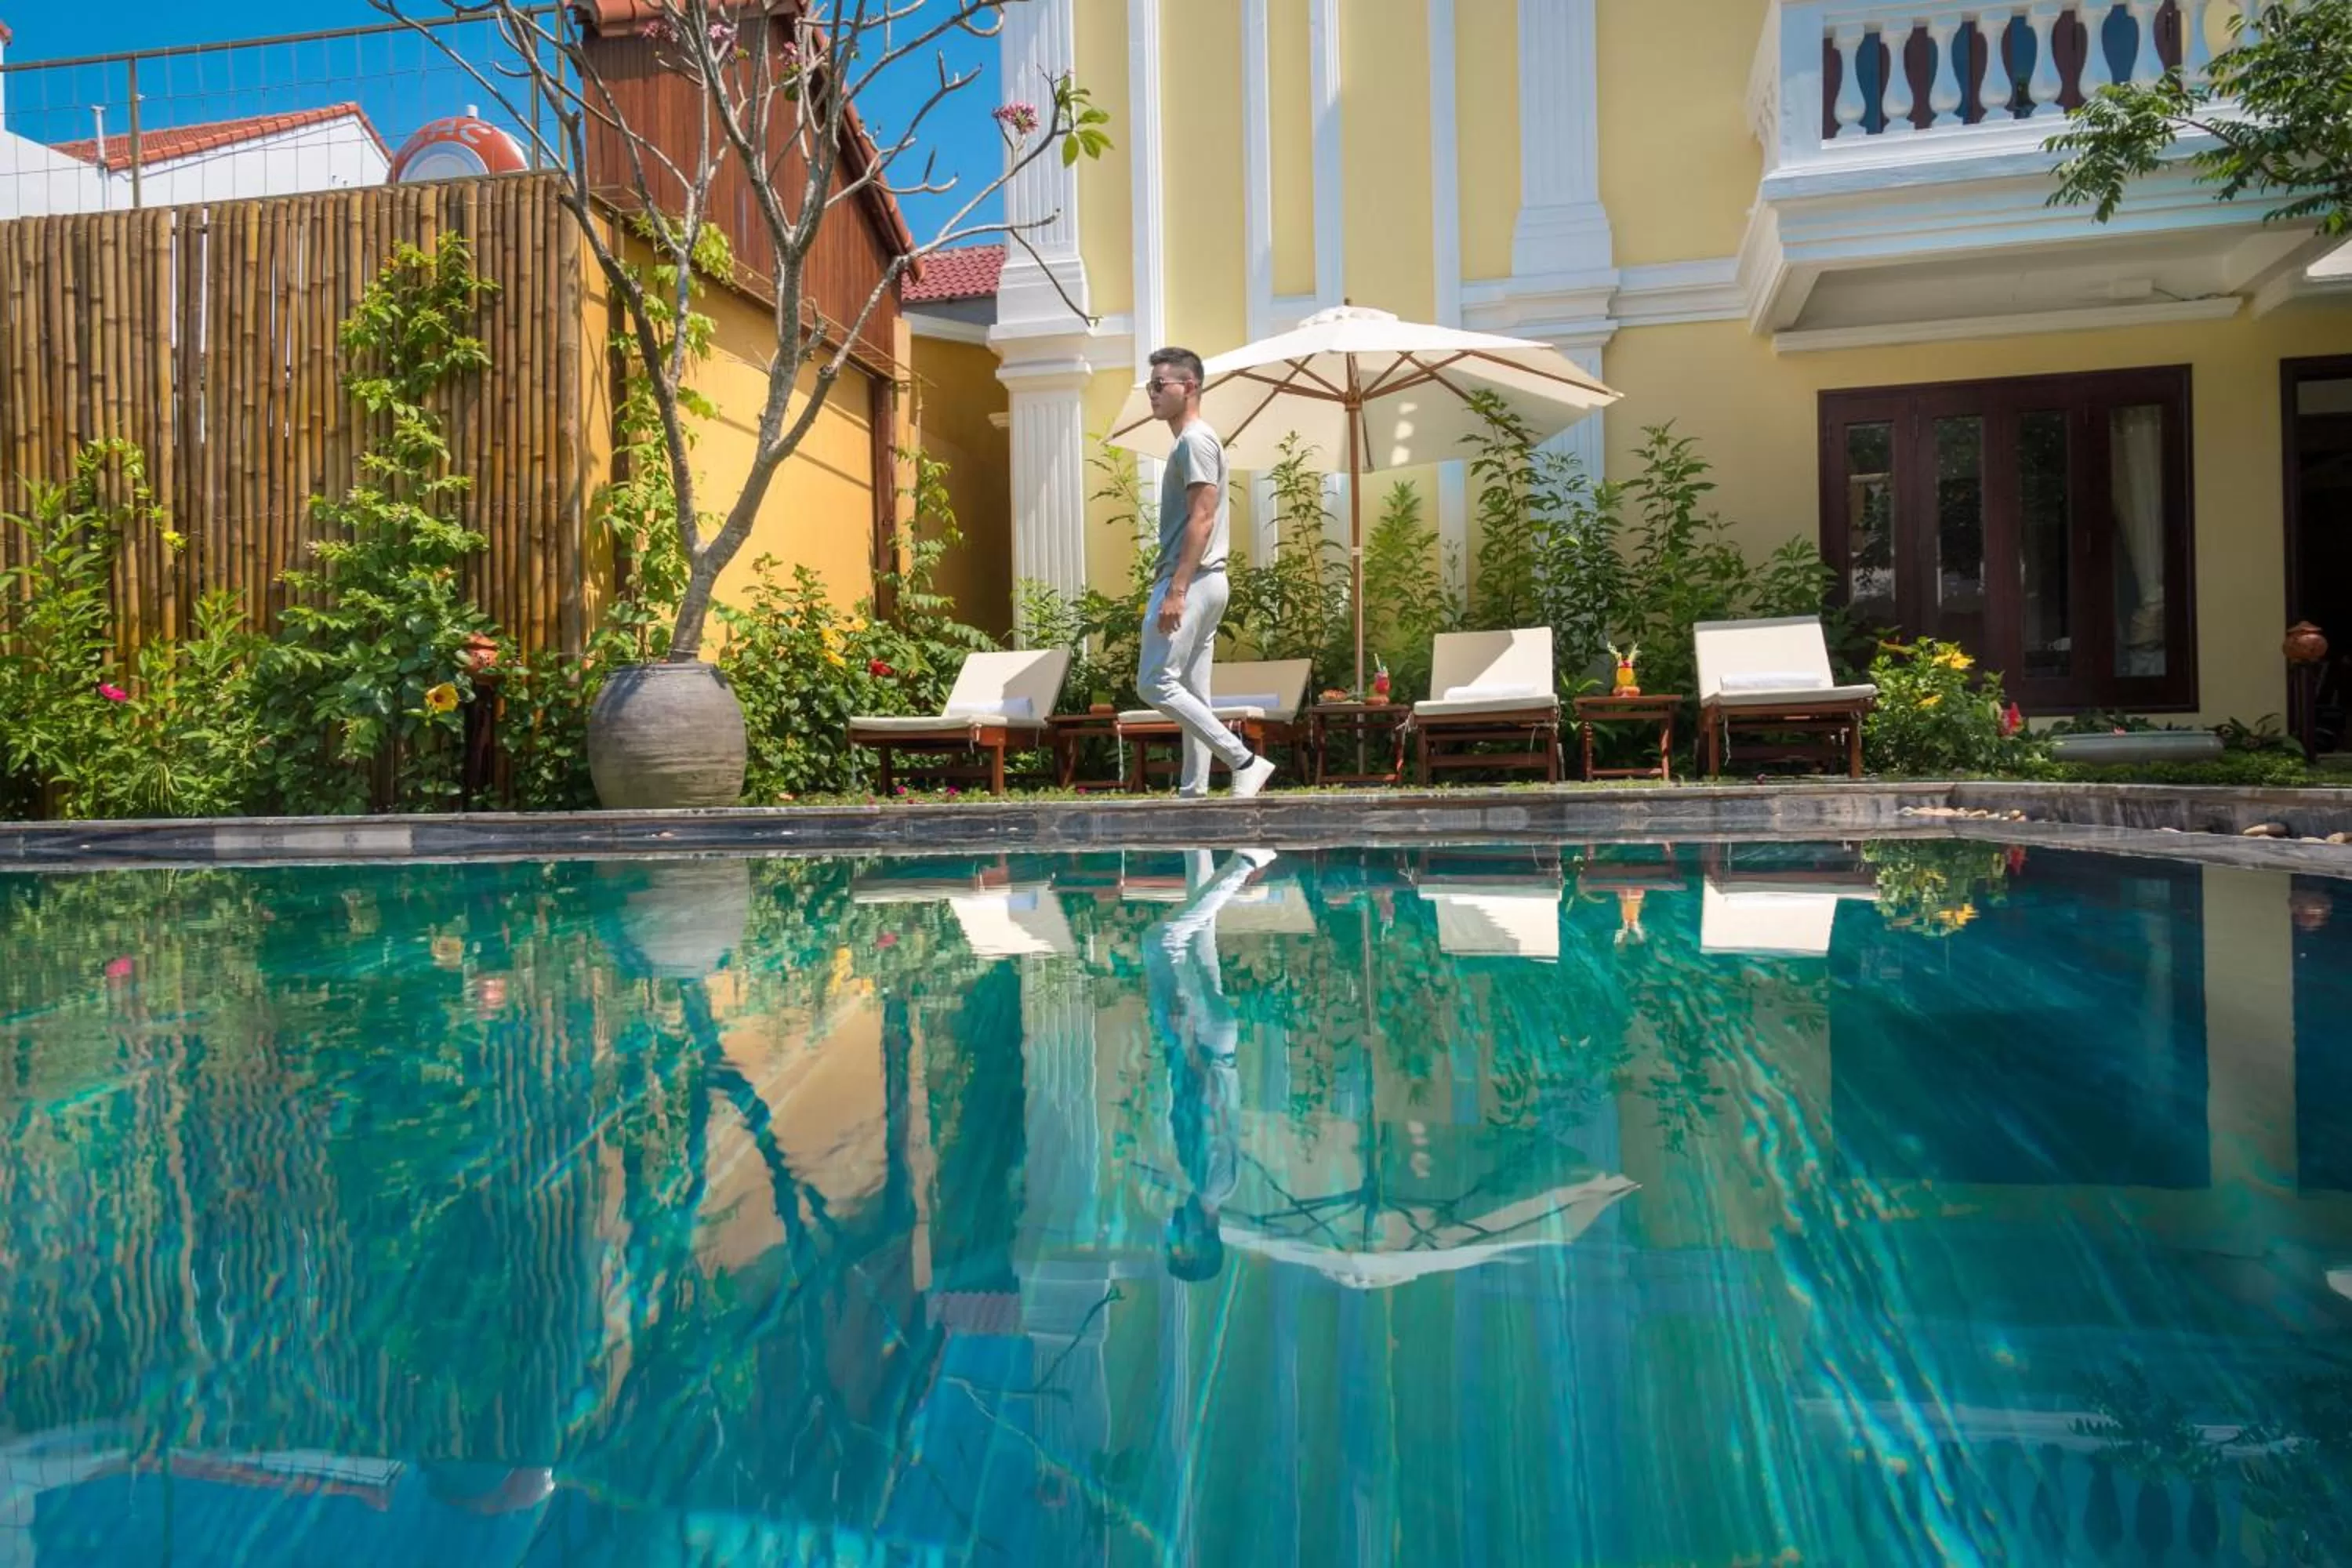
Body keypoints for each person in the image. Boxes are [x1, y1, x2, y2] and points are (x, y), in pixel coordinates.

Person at [1140, 347, 1277, 800]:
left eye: (1160, 385)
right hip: (1206, 580)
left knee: (1154, 682)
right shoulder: (1192, 441)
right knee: (1192, 693)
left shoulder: (1195, 441)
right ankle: (1193, 790)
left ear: (1190, 386)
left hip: (1191, 581)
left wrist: (1176, 589)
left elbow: (1202, 517)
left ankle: (1244, 761)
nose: (1152, 393)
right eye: (1150, 385)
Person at [1145, 848, 1276, 1280]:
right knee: (1161, 941)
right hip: (1201, 1044)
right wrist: (1185, 1041)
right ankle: (1246, 864)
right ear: (1200, 1238)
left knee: (1201, 932)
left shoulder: (1212, 1183)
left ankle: (1198, 842)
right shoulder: (1212, 1183)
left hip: (1212, 1043)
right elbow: (1212, 1107)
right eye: (1178, 1243)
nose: (1171, 1233)